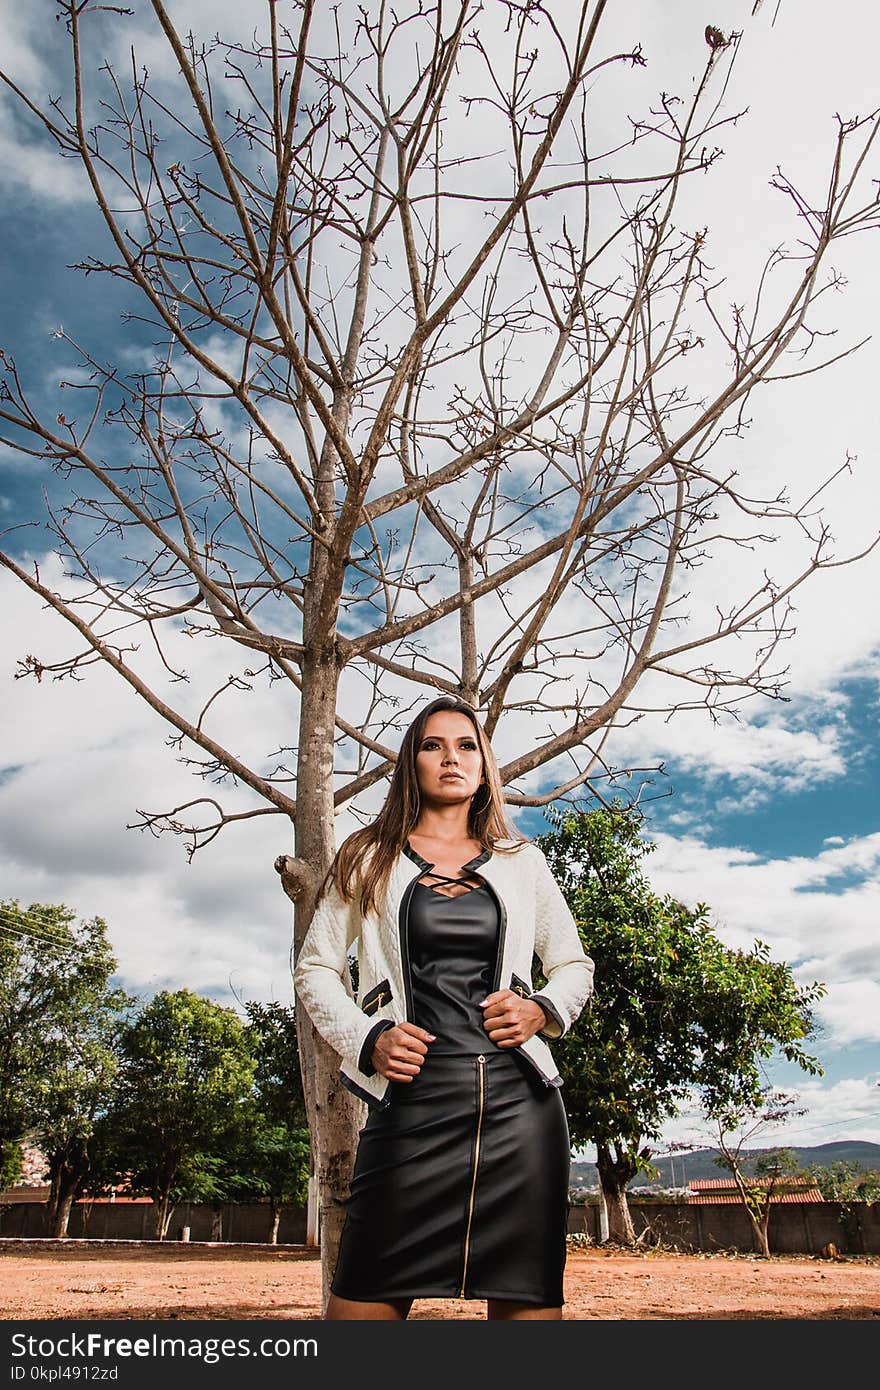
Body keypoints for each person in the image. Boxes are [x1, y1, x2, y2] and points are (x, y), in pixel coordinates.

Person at [294, 695, 595, 1320]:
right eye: (433, 745)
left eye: (466, 747)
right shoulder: (367, 855)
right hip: (411, 1109)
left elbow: (574, 967)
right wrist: (367, 1037)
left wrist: (541, 1010)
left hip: (520, 1113)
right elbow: (316, 968)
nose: (450, 759)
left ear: (484, 767)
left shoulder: (522, 863)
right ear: (412, 762)